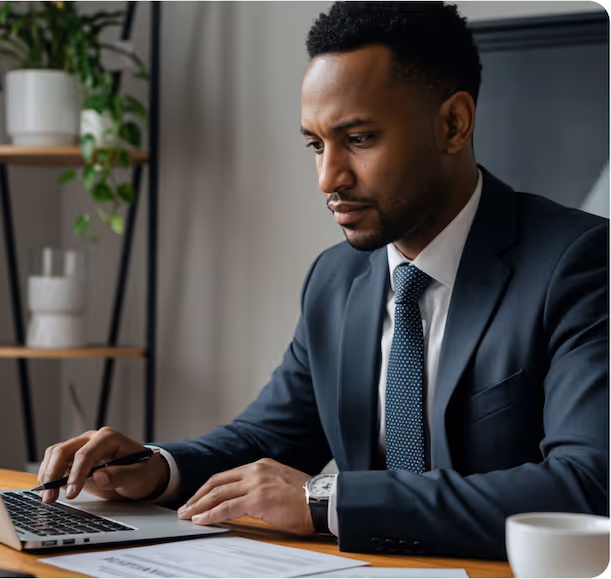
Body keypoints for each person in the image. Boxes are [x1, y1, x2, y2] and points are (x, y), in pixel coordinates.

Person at [37, 2, 608, 559]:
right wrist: (157, 468)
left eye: (359, 139)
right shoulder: (336, 279)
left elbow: (584, 488)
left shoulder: (580, 263)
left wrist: (324, 502)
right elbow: (268, 439)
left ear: (453, 124)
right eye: (316, 143)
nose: (327, 177)